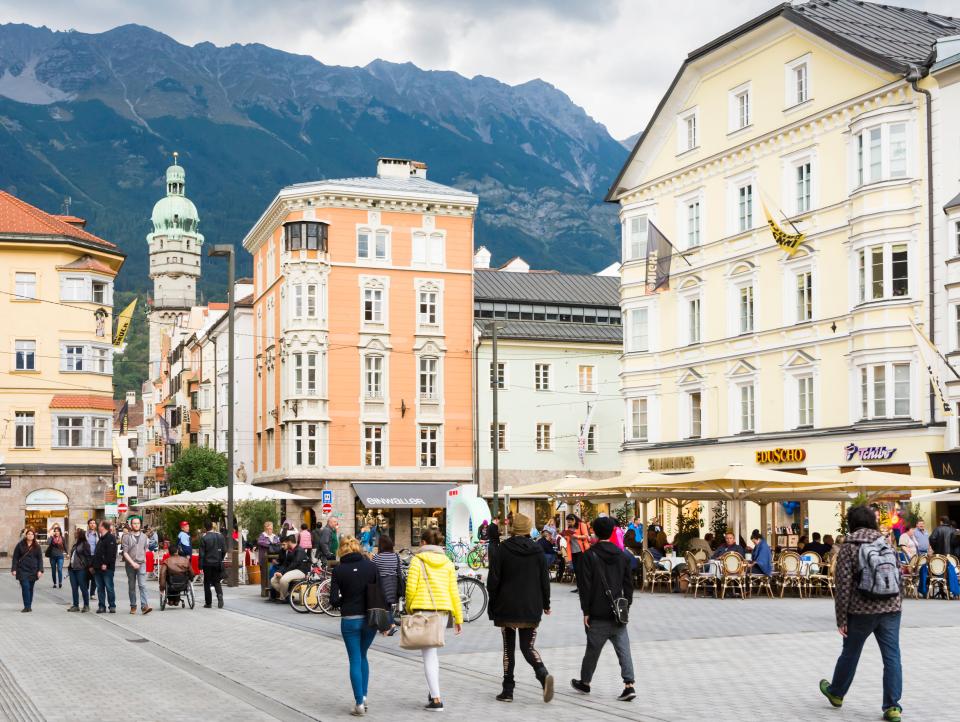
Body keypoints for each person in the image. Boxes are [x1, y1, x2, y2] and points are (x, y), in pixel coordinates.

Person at [819, 505, 902, 721]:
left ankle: (836, 693)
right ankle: (892, 707)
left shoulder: (849, 546)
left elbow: (843, 585)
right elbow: (898, 573)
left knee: (850, 652)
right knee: (892, 656)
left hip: (861, 609)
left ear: (852, 522)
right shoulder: (885, 541)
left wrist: (841, 619)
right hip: (891, 606)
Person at [486, 513, 554, 704]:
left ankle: (508, 690)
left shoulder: (502, 549)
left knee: (509, 648)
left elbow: (494, 580)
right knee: (527, 647)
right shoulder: (538, 550)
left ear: (513, 529)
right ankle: (543, 674)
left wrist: (494, 600)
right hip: (531, 606)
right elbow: (544, 581)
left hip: (507, 606)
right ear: (528, 529)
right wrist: (546, 604)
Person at [570, 516, 635, 702]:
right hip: (617, 611)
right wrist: (626, 605)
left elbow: (585, 587)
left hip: (598, 611)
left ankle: (585, 682)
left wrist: (586, 611)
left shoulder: (588, 556)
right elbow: (628, 584)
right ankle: (629, 685)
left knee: (593, 649)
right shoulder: (622, 555)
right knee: (624, 649)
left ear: (595, 533)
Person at [404, 526, 464, 713]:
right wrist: (458, 617)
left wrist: (409, 608)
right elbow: (454, 592)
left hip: (423, 610)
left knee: (429, 655)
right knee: (433, 653)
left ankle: (436, 699)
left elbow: (410, 589)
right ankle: (433, 693)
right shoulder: (447, 562)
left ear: (423, 543)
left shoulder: (417, 560)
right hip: (442, 612)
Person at [330, 535, 380, 716]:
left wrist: (346, 600)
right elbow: (378, 591)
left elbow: (333, 600)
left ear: (341, 550)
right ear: (358, 548)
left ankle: (359, 703)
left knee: (354, 659)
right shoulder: (371, 566)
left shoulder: (339, 570)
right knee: (363, 655)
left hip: (350, 619)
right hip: (370, 619)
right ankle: (364, 697)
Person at [372, 535, 403, 636]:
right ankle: (387, 625)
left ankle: (391, 625)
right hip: (393, 583)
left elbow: (373, 571)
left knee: (384, 605)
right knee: (388, 604)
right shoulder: (396, 556)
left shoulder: (377, 557)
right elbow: (400, 570)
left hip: (382, 582)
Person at [121, 517, 152, 615]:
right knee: (132, 586)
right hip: (130, 564)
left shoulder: (144, 537)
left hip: (141, 563)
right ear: (131, 525)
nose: (136, 525)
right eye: (134, 523)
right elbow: (125, 553)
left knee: (142, 585)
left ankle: (144, 606)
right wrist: (132, 563)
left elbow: (145, 549)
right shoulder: (126, 537)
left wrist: (145, 559)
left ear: (140, 525)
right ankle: (133, 606)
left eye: (138, 523)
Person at [11, 526, 44, 612]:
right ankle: (27, 606)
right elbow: (15, 557)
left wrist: (40, 570)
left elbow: (40, 559)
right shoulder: (20, 545)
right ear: (26, 535)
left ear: (34, 536)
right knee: (25, 587)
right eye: (28, 534)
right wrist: (14, 569)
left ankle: (29, 605)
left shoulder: (37, 546)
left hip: (33, 570)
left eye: (32, 534)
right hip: (22, 569)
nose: (30, 535)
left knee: (30, 588)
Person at [271, 535, 309, 600]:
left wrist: (283, 573)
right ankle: (287, 596)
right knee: (273, 580)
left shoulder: (299, 550)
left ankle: (283, 598)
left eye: (286, 542)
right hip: (291, 571)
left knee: (283, 580)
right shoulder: (290, 551)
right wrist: (279, 572)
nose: (284, 545)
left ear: (289, 542)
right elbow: (285, 564)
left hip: (300, 571)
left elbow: (295, 564)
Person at [199, 520, 226, 609]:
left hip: (207, 563)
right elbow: (224, 550)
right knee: (217, 581)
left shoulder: (204, 538)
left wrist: (200, 565)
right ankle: (219, 595)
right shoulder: (220, 536)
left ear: (205, 528)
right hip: (217, 562)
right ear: (212, 526)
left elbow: (202, 553)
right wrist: (220, 558)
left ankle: (208, 602)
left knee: (207, 582)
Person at [92, 520, 118, 613]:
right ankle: (102, 606)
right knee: (100, 588)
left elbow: (111, 553)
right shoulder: (101, 538)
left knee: (109, 587)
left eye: (99, 526)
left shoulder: (110, 538)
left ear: (103, 527)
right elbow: (97, 553)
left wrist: (105, 564)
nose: (98, 527)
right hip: (98, 567)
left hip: (107, 568)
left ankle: (112, 605)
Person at [66, 527, 93, 612]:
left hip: (81, 569)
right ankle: (75, 605)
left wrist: (88, 567)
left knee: (83, 588)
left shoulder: (85, 544)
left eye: (76, 532)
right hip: (72, 569)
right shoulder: (75, 544)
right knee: (74, 588)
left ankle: (86, 605)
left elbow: (88, 557)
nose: (74, 533)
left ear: (80, 534)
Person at [563, 514, 591, 593]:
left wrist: (577, 536)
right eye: (568, 522)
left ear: (574, 520)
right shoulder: (569, 528)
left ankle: (584, 588)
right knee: (576, 570)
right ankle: (579, 587)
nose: (569, 523)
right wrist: (566, 537)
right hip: (573, 551)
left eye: (570, 522)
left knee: (582, 570)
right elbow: (569, 539)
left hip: (581, 551)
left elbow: (586, 536)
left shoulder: (581, 525)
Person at [86, 519, 99, 601]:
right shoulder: (85, 534)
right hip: (87, 557)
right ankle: (86, 591)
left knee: (95, 576)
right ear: (88, 525)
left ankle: (92, 593)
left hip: (95, 557)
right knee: (86, 575)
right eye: (91, 523)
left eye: (94, 523)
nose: (92, 524)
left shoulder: (99, 535)